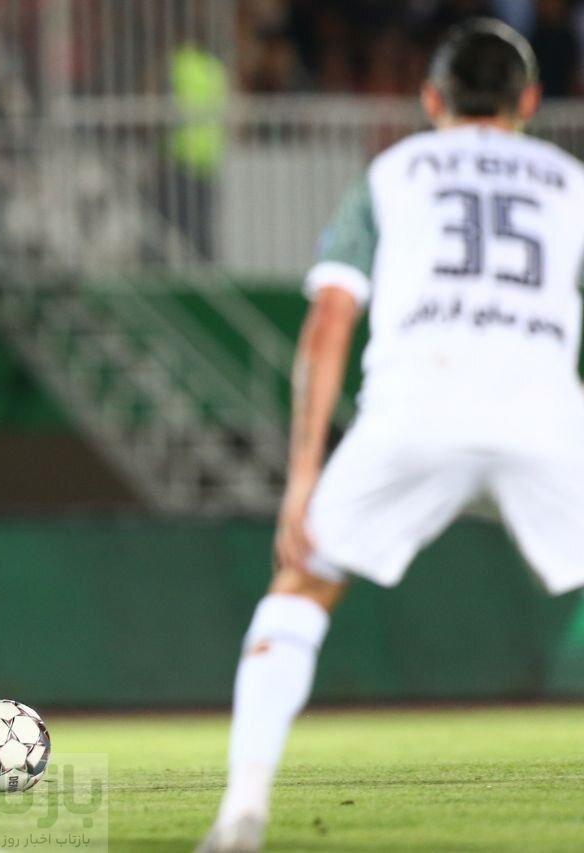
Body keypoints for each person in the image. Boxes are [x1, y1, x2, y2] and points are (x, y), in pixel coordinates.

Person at [200, 19, 584, 851]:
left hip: (416, 403)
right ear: (528, 101)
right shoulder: (570, 182)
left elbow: (330, 321)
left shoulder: (393, 172)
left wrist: (304, 475)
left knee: (301, 583)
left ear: (431, 98)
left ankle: (242, 812)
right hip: (542, 409)